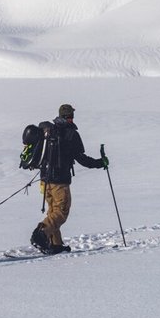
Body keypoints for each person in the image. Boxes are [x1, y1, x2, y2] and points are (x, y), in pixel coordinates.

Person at [29, 104, 107, 254]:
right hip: (59, 182)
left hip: (45, 180)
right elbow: (82, 159)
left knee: (53, 211)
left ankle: (55, 245)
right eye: (71, 116)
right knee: (61, 213)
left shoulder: (48, 131)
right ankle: (41, 234)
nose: (72, 118)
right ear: (68, 117)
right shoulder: (71, 134)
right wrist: (100, 163)